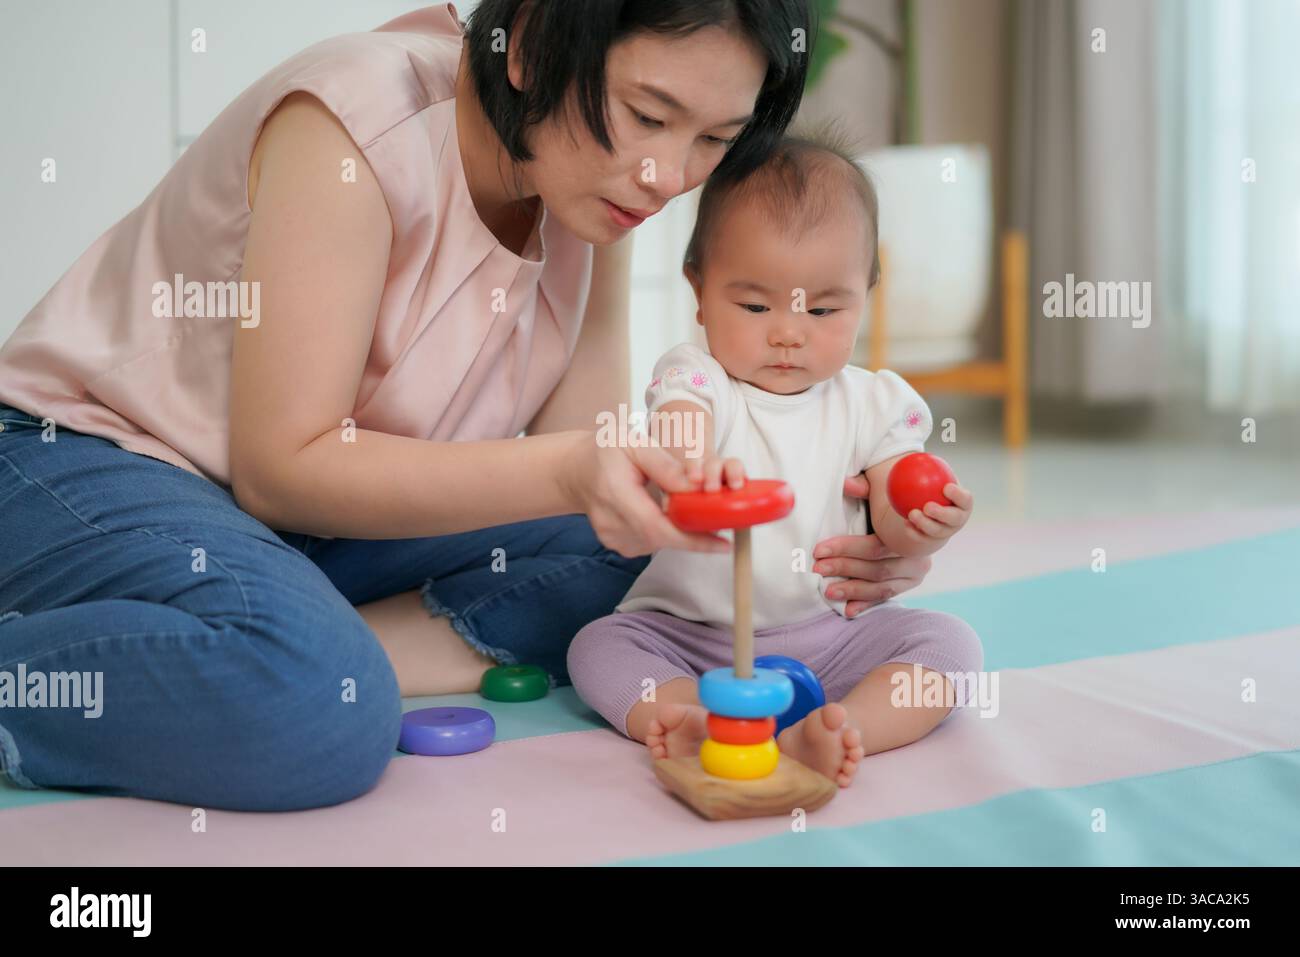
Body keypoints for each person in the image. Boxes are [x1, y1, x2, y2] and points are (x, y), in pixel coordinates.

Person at [0, 2, 933, 811]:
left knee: (641, 560)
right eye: (649, 114)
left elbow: (589, 457)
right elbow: (284, 469)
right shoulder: (355, 128)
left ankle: (276, 636)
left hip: (296, 528)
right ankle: (297, 656)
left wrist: (835, 526)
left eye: (713, 141)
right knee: (321, 707)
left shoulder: (598, 191)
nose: (667, 176)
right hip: (85, 459)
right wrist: (575, 470)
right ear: (528, 43)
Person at [568, 133, 982, 787]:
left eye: (823, 307)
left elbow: (894, 527)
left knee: (952, 645)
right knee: (596, 647)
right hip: (689, 635)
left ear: (865, 295)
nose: (789, 330)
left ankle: (842, 728)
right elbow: (681, 428)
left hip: (830, 636)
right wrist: (692, 462)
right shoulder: (701, 378)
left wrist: (926, 520)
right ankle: (697, 715)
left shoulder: (874, 403)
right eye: (755, 305)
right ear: (698, 292)